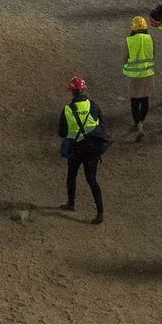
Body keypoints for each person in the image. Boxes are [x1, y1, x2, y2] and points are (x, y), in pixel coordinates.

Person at [59, 75, 108, 223]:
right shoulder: (93, 106)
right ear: (84, 90)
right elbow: (102, 126)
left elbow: (61, 132)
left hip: (76, 149)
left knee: (71, 175)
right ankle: (100, 214)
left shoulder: (68, 109)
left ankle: (71, 203)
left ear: (72, 92)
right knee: (92, 180)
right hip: (92, 149)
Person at [122, 16, 155, 142]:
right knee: (145, 100)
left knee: (135, 102)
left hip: (134, 76)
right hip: (148, 74)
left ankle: (138, 124)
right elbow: (154, 54)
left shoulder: (129, 40)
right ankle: (142, 121)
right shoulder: (150, 39)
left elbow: (124, 58)